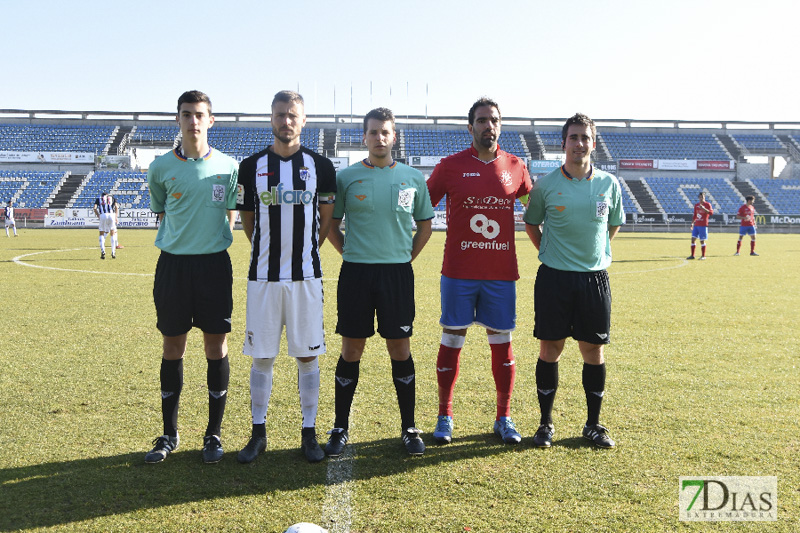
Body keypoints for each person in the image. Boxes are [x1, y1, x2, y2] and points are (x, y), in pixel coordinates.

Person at [324, 107, 434, 457]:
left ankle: (409, 427)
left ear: (394, 137)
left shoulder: (413, 178)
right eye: (373, 132)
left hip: (397, 274)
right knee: (351, 349)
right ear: (364, 137)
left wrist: (404, 259)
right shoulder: (348, 178)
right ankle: (340, 427)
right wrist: (351, 254)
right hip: (356, 273)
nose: (379, 138)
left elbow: (425, 226)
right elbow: (332, 224)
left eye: (385, 132)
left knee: (399, 347)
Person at [235, 91, 337, 464]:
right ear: (271, 119)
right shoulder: (251, 166)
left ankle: (308, 433)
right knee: (261, 357)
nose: (286, 121)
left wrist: (307, 250)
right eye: (280, 115)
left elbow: (326, 218)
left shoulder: (321, 165)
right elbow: (248, 220)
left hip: (306, 278)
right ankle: (258, 432)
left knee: (307, 358)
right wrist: (268, 251)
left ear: (303, 120)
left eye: (292, 115)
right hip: (262, 279)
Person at [425, 97, 532, 445]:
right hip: (458, 272)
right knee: (452, 339)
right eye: (482, 120)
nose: (489, 126)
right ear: (470, 127)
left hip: (501, 273)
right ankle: (445, 416)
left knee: (501, 342)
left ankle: (504, 417)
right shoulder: (450, 167)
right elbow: (422, 206)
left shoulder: (516, 166)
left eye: (494, 121)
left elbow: (537, 207)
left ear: (500, 126)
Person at [144, 90, 239, 464]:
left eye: (200, 114)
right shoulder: (160, 167)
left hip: (214, 266)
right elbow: (161, 210)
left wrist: (212, 241)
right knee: (173, 348)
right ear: (178, 119)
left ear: (210, 120)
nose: (193, 121)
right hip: (174, 267)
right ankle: (169, 434)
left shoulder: (229, 167)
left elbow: (231, 213)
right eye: (187, 114)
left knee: (216, 348)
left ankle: (213, 434)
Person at [523, 113, 624, 449]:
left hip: (594, 279)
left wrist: (593, 255)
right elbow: (532, 225)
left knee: (592, 350)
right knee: (550, 349)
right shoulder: (547, 185)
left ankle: (593, 424)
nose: (579, 143)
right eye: (574, 137)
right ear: (563, 143)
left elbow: (612, 226)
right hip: (554, 278)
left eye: (585, 138)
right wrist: (554, 255)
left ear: (593, 144)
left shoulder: (609, 184)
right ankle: (545, 424)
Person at [687, 191, 713, 260]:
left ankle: (703, 256)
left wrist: (703, 208)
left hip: (703, 225)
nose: (701, 198)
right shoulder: (696, 205)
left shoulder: (708, 204)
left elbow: (711, 213)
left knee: (702, 240)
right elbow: (695, 215)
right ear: (698, 198)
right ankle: (692, 255)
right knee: (693, 239)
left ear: (704, 197)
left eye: (703, 197)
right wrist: (692, 223)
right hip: (697, 225)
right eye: (700, 197)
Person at [93, 192, 118, 258]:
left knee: (101, 233)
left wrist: (98, 215)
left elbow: (94, 208)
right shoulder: (112, 198)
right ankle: (113, 252)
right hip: (111, 215)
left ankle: (103, 250)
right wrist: (116, 217)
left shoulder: (99, 198)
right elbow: (116, 207)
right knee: (112, 233)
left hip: (103, 215)